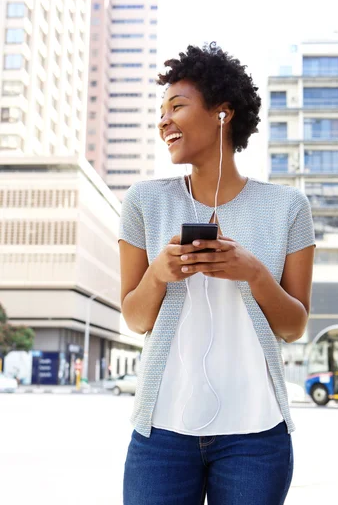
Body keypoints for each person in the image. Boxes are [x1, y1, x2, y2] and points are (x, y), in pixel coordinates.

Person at [119, 43, 315, 504]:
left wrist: (254, 274)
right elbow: (135, 318)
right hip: (161, 434)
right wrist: (159, 275)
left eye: (177, 107)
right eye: (161, 111)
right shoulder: (145, 201)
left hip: (256, 436)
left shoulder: (288, 208)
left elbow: (294, 325)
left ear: (223, 114)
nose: (163, 120)